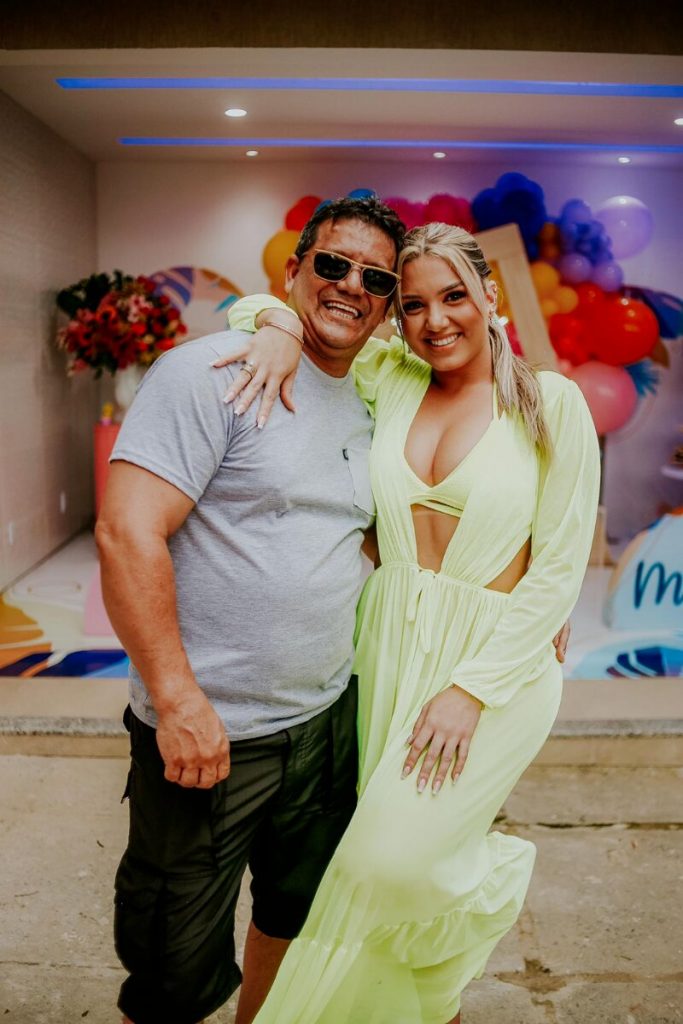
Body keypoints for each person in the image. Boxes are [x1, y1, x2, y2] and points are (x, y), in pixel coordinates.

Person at [218, 219, 600, 1023]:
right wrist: (280, 328)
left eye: (453, 297)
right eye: (414, 305)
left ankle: (480, 885)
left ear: (488, 294)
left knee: (385, 865)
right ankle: (428, 1007)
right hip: (383, 650)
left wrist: (470, 690)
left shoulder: (550, 402)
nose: (435, 321)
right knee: (359, 867)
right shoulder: (390, 377)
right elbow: (248, 308)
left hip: (489, 667)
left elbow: (560, 567)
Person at [96, 197, 407, 1024]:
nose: (351, 286)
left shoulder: (372, 400)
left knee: (294, 921)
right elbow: (126, 533)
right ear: (294, 270)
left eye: (375, 278)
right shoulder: (212, 373)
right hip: (210, 734)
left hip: (324, 726)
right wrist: (177, 700)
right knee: (171, 966)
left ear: (387, 304)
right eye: (333, 264)